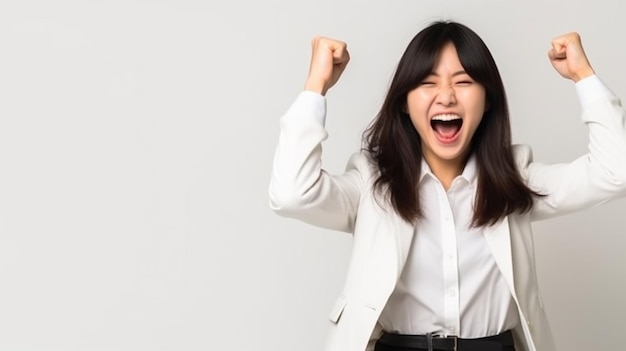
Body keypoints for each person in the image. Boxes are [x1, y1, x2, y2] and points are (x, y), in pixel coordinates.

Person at [268, 21, 626, 351]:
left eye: (464, 81)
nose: (446, 96)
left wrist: (584, 76)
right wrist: (316, 87)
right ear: (405, 104)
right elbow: (292, 195)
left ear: (488, 101)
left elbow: (616, 173)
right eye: (427, 82)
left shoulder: (514, 179)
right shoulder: (371, 182)